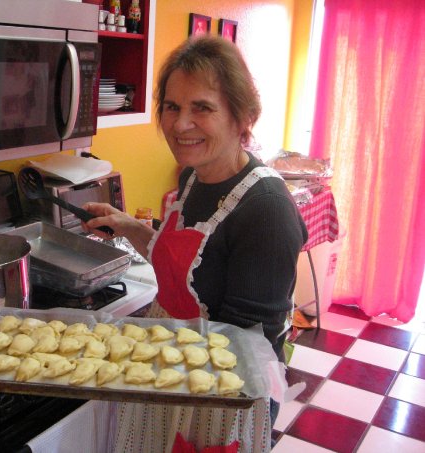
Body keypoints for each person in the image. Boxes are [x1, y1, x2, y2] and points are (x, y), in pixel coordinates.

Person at [83, 36, 307, 452]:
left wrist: (129, 352)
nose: (180, 124)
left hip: (220, 399)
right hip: (170, 377)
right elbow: (189, 266)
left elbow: (245, 348)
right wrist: (127, 226)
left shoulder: (266, 209)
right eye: (172, 107)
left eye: (201, 108)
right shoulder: (192, 177)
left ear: (243, 117)